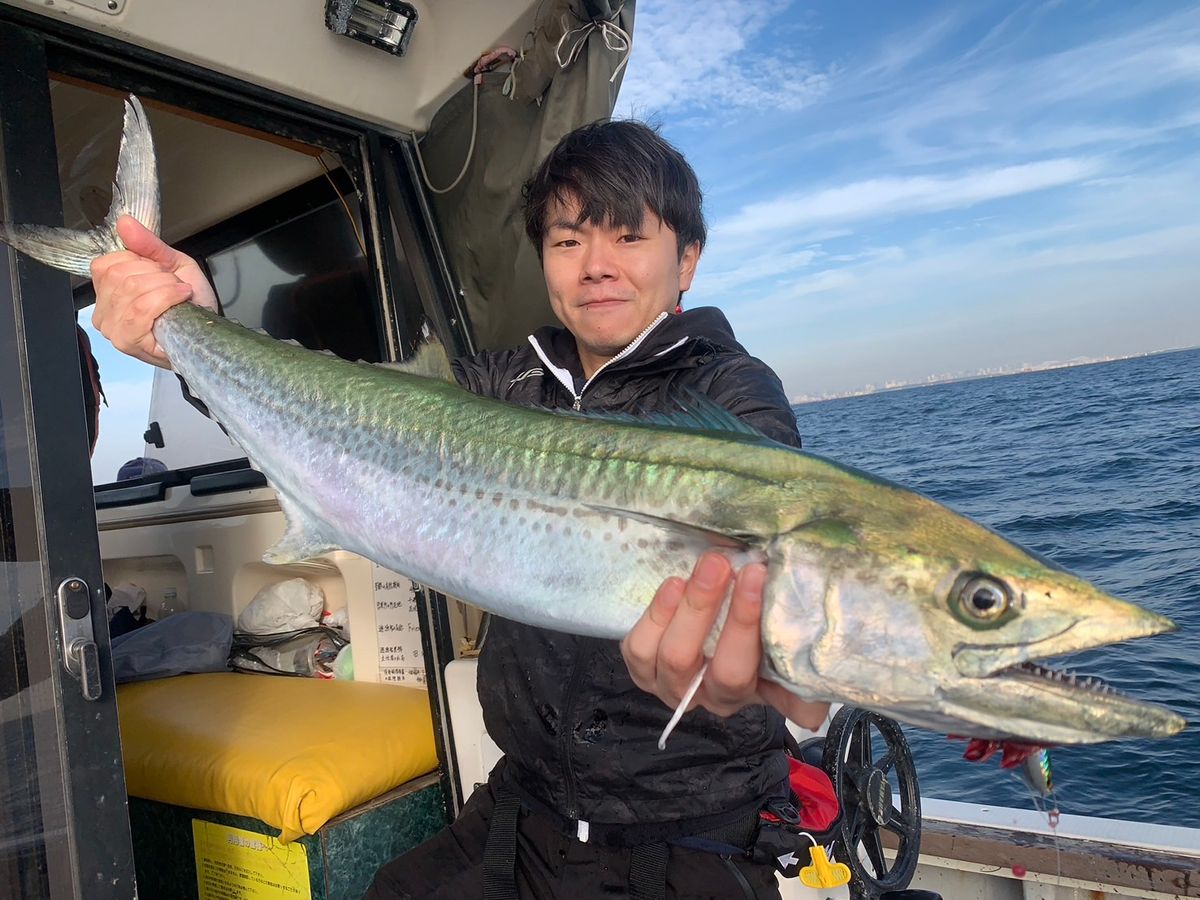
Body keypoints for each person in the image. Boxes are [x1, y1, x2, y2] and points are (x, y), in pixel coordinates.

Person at [89, 120, 829, 899]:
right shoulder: (496, 386)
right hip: (528, 808)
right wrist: (195, 330)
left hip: (688, 834)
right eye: (568, 242)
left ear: (687, 261)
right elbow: (337, 425)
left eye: (628, 237)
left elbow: (769, 531)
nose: (597, 267)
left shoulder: (730, 394)